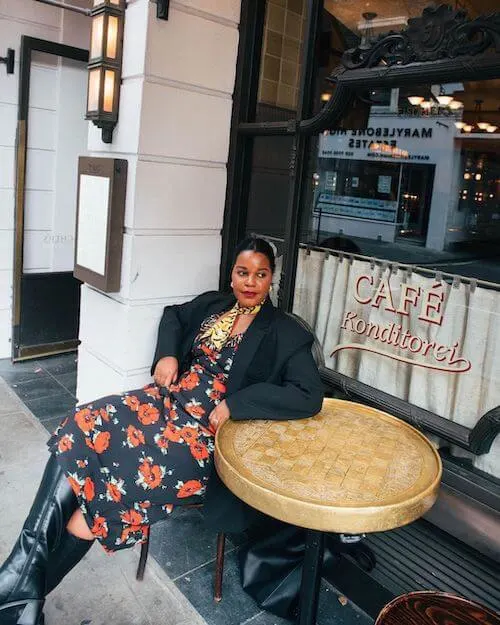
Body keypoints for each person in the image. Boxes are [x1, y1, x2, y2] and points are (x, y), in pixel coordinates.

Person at [0, 236, 324, 625]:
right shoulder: (215, 305)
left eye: (260, 274)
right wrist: (168, 353)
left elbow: (308, 396)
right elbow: (173, 315)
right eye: (243, 272)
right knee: (83, 422)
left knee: (101, 501)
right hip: (162, 406)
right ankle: (22, 594)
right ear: (232, 274)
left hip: (203, 437)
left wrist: (237, 404)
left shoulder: (284, 332)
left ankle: (17, 594)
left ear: (272, 279)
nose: (250, 282)